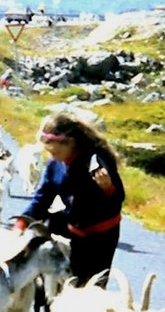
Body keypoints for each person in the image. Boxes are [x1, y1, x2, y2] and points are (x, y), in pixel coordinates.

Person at [15, 111, 124, 285]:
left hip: (101, 236)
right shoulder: (54, 165)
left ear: (70, 143)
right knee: (68, 281)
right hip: (72, 232)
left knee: (93, 286)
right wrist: (23, 222)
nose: (52, 155)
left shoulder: (97, 160)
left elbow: (118, 198)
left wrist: (108, 188)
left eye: (55, 151)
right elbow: (42, 199)